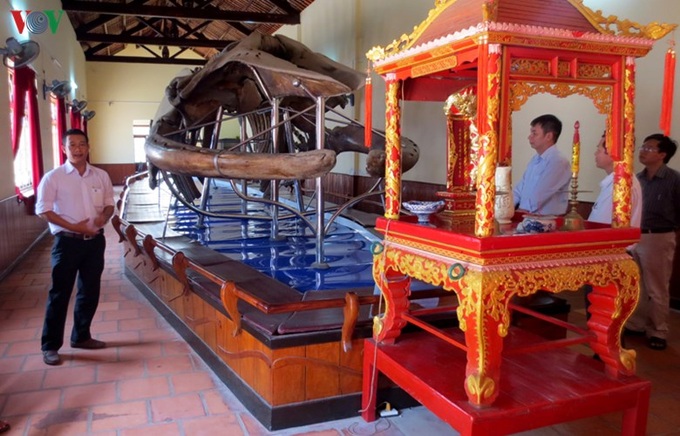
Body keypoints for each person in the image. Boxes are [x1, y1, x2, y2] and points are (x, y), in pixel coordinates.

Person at [35, 128, 115, 365]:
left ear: (88, 147)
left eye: (82, 144)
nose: (78, 149)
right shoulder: (53, 177)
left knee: (89, 291)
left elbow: (110, 203)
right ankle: (50, 346)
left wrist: (105, 217)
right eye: (72, 145)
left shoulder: (100, 175)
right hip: (67, 243)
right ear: (64, 149)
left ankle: (81, 336)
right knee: (59, 293)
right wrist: (75, 226)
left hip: (95, 243)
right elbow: (43, 211)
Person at [624, 134, 680, 351]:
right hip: (636, 236)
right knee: (637, 285)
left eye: (649, 148)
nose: (643, 151)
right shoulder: (637, 179)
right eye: (643, 147)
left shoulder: (673, 180)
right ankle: (636, 324)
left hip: (659, 236)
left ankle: (658, 330)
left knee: (657, 287)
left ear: (663, 155)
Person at [584, 133, 642, 326]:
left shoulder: (622, 184)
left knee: (606, 319)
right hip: (603, 256)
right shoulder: (614, 182)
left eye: (599, 149)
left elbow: (602, 229)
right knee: (599, 316)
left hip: (610, 257)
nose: (595, 153)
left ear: (613, 153)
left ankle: (604, 355)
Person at [513, 114, 571, 216]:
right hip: (525, 215)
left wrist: (522, 211)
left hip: (545, 219)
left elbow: (541, 193)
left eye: (534, 134)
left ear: (549, 136)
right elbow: (519, 189)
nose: (529, 137)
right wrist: (507, 207)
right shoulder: (535, 159)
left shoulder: (558, 161)